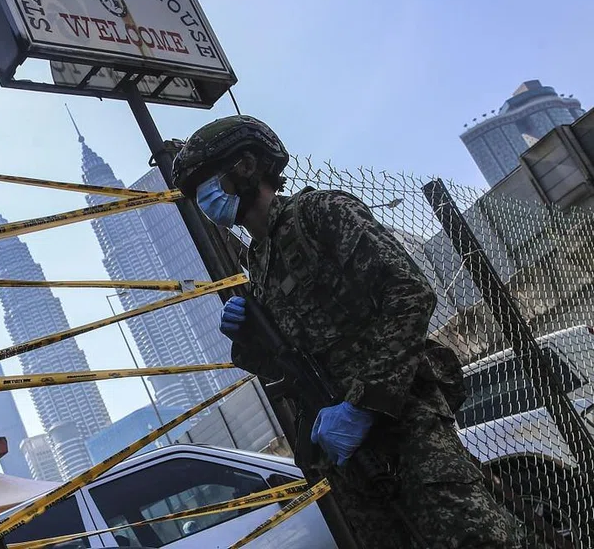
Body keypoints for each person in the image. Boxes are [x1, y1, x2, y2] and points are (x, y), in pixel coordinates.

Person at [171, 114, 520, 548]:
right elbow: (285, 365)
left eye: (207, 181)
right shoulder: (259, 265)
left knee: (471, 538)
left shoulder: (321, 213)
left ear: (246, 166)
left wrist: (361, 406)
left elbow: (409, 294)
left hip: (403, 422)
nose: (204, 200)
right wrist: (247, 340)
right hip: (344, 452)